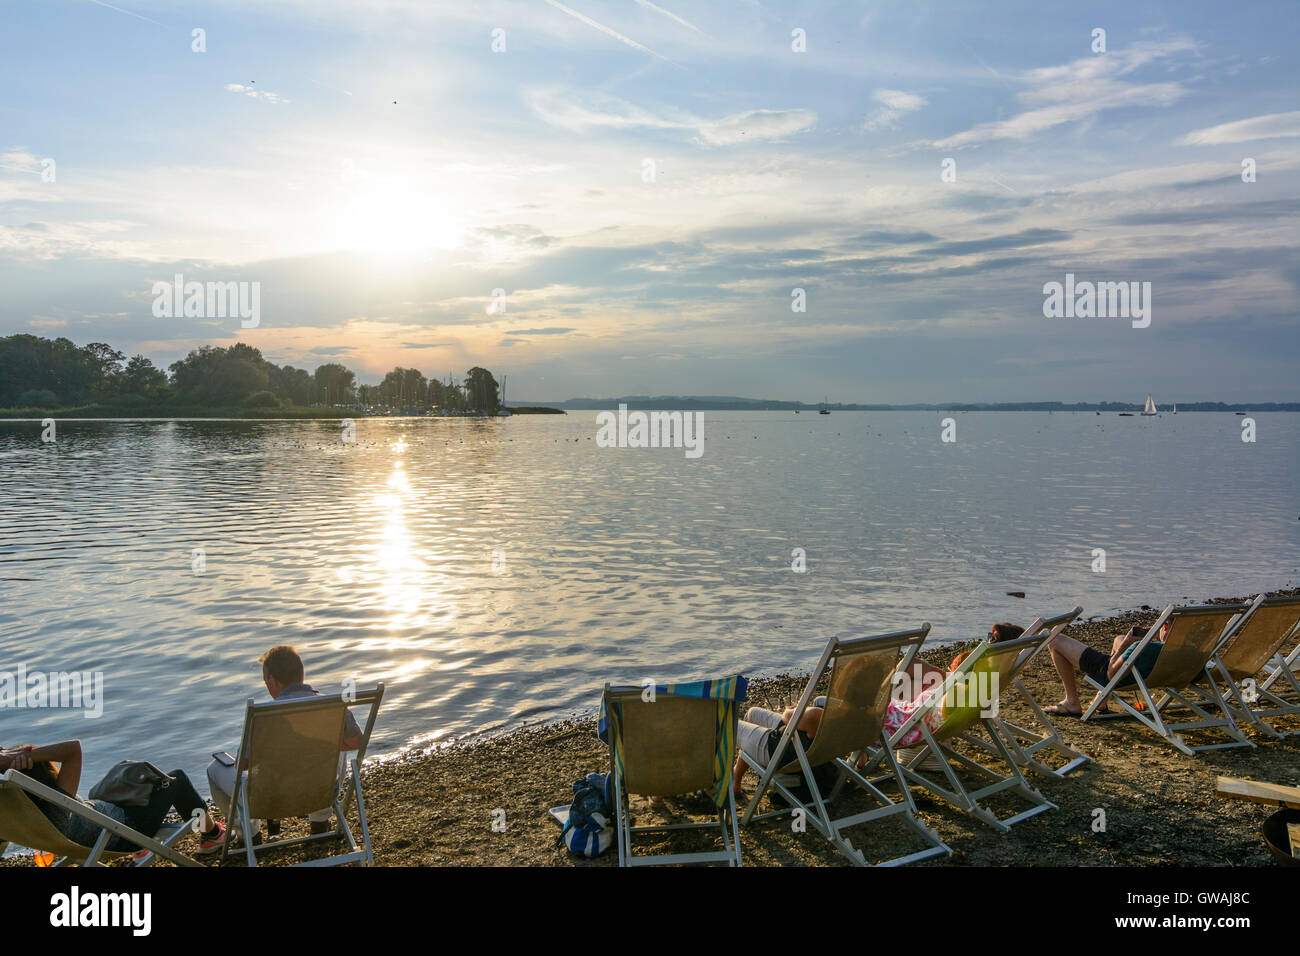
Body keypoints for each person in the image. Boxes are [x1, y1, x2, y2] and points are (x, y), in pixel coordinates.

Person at [733, 622, 1025, 791]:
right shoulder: (977, 693)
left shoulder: (957, 693)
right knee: (818, 709)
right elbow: (961, 689)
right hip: (889, 719)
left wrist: (953, 674)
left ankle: (743, 777)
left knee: (814, 708)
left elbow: (949, 687)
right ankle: (852, 759)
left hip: (884, 723)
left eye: (989, 641)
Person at [207, 645, 363, 844]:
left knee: (214, 769)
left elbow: (243, 765)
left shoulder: (262, 716)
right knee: (333, 743)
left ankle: (250, 834)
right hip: (320, 792)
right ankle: (320, 823)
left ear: (272, 680)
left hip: (271, 799)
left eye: (266, 681)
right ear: (301, 674)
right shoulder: (332, 705)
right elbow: (357, 741)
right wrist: (311, 745)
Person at [0, 739, 227, 856]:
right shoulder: (57, 802)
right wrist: (15, 758)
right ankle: (211, 834)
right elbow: (73, 749)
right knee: (175, 779)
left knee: (128, 777)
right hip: (128, 832)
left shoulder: (22, 812)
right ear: (47, 773)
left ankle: (205, 832)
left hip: (104, 821)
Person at [1045, 619, 1169, 717]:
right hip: (1154, 675)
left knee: (1055, 640)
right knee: (1118, 639)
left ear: (1165, 627)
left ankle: (1072, 702)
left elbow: (1111, 674)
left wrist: (1127, 643)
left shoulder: (1146, 647)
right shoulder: (1183, 650)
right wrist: (1157, 636)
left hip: (1109, 671)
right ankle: (1102, 699)